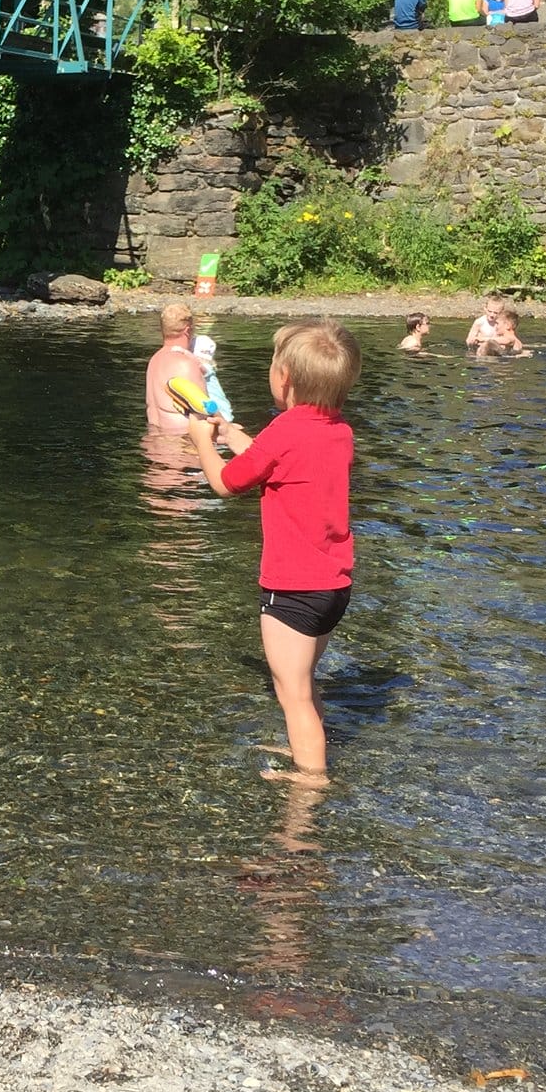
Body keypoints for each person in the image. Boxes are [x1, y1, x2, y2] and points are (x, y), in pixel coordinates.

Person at [183, 320, 361, 788]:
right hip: (334, 585)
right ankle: (309, 744)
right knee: (304, 683)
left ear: (284, 379)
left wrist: (204, 443)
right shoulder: (339, 431)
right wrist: (229, 433)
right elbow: (272, 459)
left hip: (293, 586)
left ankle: (311, 780)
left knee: (292, 690)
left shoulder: (284, 432)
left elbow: (225, 483)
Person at [144, 303, 211, 435]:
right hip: (182, 445)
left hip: (153, 443)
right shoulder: (186, 363)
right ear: (187, 331)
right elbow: (206, 413)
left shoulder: (154, 360)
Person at [193, 332, 235, 419]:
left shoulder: (205, 367)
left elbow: (203, 369)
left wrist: (184, 353)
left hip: (221, 412)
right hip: (223, 409)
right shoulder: (209, 367)